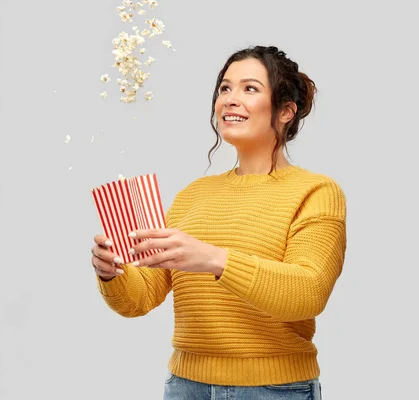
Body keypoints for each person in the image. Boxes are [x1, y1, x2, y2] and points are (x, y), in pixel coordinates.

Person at [90, 45, 347, 399]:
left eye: (250, 89)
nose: (230, 99)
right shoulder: (193, 195)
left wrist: (214, 259)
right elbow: (141, 298)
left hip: (273, 390)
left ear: (286, 111)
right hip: (186, 386)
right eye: (225, 88)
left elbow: (308, 293)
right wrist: (112, 273)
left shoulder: (316, 191)